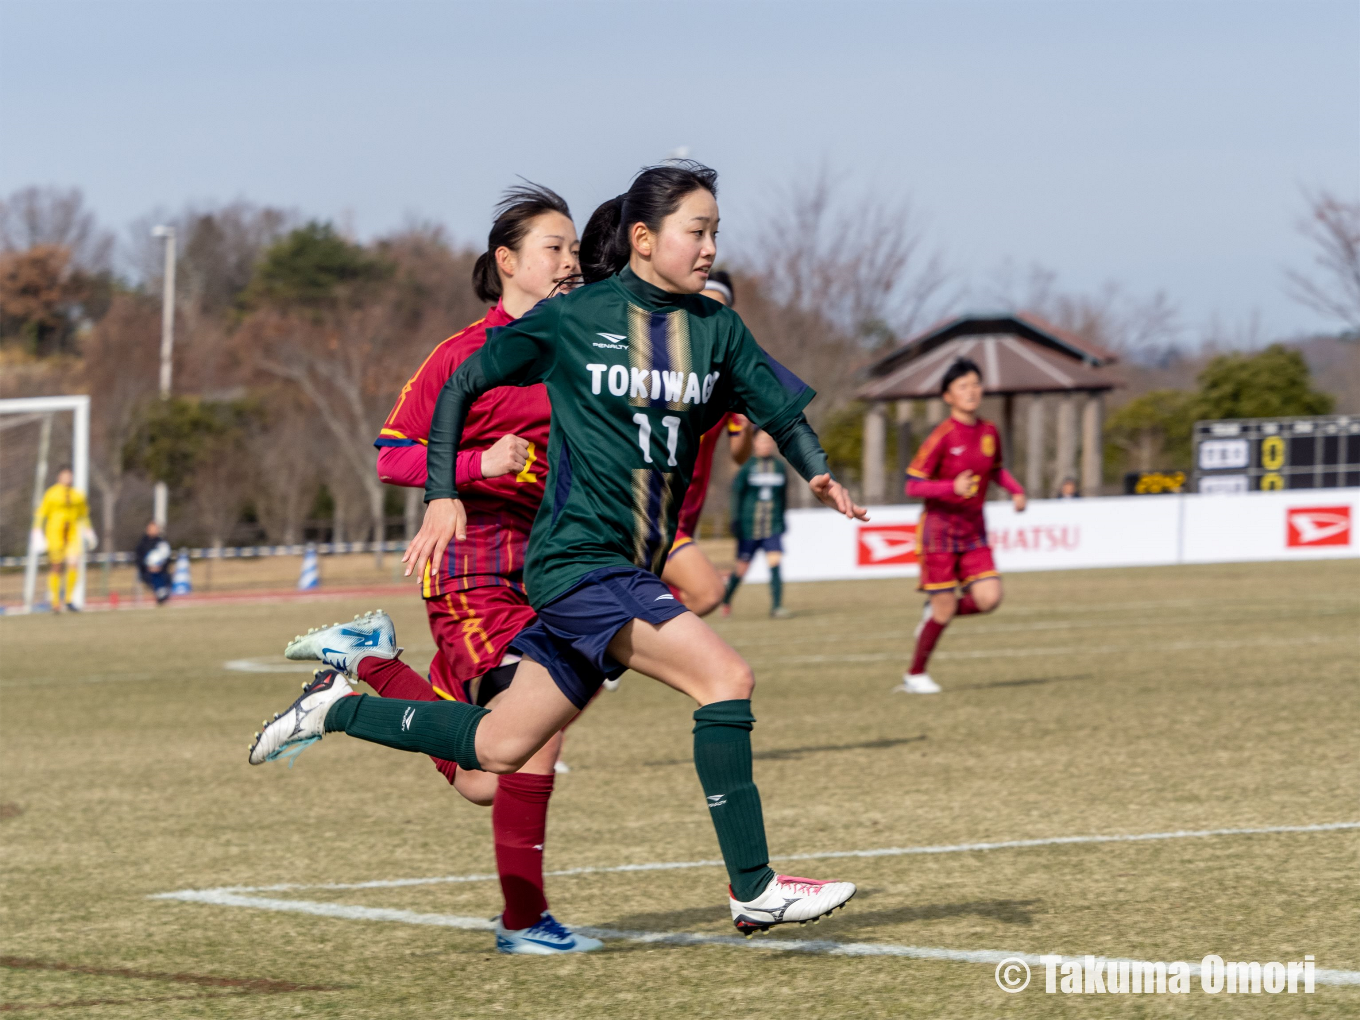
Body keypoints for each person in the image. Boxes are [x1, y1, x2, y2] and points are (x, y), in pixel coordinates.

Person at [250, 162, 867, 936]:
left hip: (606, 562)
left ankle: (341, 707)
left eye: (715, 232)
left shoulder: (706, 329)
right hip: (562, 561)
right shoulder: (564, 324)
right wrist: (453, 486)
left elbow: (772, 408)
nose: (710, 246)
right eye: (697, 231)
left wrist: (817, 472)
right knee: (726, 674)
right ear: (642, 240)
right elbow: (446, 400)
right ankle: (745, 888)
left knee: (499, 753)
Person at [279, 183, 601, 955]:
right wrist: (477, 462)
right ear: (507, 262)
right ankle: (524, 923)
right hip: (473, 571)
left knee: (485, 778)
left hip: (552, 570)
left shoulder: (586, 350)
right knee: (540, 736)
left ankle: (368, 666)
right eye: (553, 248)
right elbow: (392, 457)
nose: (569, 262)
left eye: (575, 250)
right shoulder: (463, 357)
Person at [895, 357, 1026, 694]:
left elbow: (995, 469)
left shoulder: (989, 431)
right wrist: (949, 487)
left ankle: (935, 612)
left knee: (989, 598)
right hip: (938, 531)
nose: (971, 391)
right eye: (962, 386)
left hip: (973, 530)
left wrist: (1015, 490)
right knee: (945, 606)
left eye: (975, 384)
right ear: (948, 397)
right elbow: (912, 484)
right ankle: (915, 675)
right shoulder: (941, 436)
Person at [659, 268, 753, 615]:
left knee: (679, 602)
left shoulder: (726, 376)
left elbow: (739, 456)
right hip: (648, 503)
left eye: (720, 308)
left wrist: (745, 428)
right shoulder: (660, 358)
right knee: (702, 595)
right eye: (702, 304)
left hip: (688, 511)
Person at [720, 431, 790, 618]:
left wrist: (782, 519)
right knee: (741, 568)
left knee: (775, 563)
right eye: (762, 440)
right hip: (749, 527)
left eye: (769, 440)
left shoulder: (779, 467)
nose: (766, 444)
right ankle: (726, 600)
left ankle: (776, 607)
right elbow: (737, 495)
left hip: (772, 526)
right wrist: (735, 520)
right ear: (754, 443)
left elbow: (783, 497)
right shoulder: (746, 468)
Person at [30, 466, 93, 612]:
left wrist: (88, 531)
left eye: (69, 476)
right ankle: (55, 601)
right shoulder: (51, 494)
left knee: (73, 564)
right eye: (64, 476)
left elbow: (84, 514)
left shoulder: (78, 495)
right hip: (55, 533)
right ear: (59, 477)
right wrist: (36, 530)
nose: (67, 479)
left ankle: (69, 599)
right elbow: (41, 513)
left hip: (72, 534)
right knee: (56, 566)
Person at [135, 521, 172, 604]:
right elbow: (138, 559)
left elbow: (167, 558)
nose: (154, 531)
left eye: (156, 529)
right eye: (152, 529)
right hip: (146, 571)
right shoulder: (142, 544)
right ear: (148, 530)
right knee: (153, 577)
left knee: (166, 577)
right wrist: (147, 567)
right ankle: (161, 595)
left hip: (161, 570)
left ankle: (163, 594)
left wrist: (160, 566)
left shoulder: (162, 543)